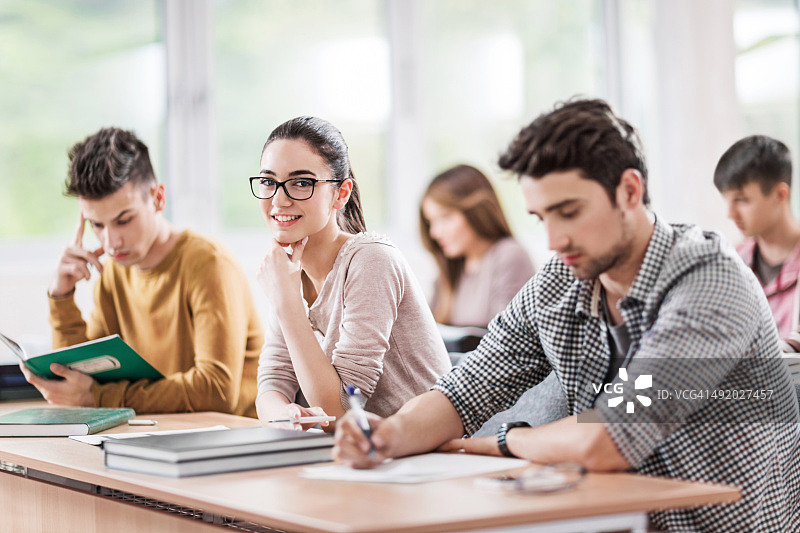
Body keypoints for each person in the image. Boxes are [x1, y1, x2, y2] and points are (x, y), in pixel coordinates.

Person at [335, 99, 800, 531]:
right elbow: (465, 390)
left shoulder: (710, 282)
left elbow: (612, 437)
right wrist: (388, 436)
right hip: (613, 519)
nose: (554, 241)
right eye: (541, 218)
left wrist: (505, 440)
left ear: (629, 191)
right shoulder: (560, 282)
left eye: (569, 212)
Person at [22, 127, 264, 417]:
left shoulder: (209, 264)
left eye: (124, 220)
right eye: (96, 225)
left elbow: (216, 392)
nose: (111, 242)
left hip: (229, 443)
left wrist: (99, 397)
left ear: (158, 198)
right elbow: (81, 385)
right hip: (156, 435)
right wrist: (62, 297)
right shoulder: (114, 273)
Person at [253, 116, 451, 431]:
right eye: (268, 181)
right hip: (359, 452)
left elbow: (340, 411)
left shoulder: (372, 259)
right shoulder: (290, 271)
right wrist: (284, 416)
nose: (279, 199)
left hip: (428, 454)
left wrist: (286, 303)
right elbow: (272, 384)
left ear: (341, 193)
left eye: (301, 182)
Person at [419, 164, 534, 328]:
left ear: (476, 211)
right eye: (431, 222)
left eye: (445, 218)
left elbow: (507, 340)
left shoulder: (508, 255)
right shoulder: (450, 269)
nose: (435, 233)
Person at [714, 135, 800, 349]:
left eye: (741, 200)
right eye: (727, 200)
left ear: (780, 195)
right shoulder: (730, 262)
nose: (730, 214)